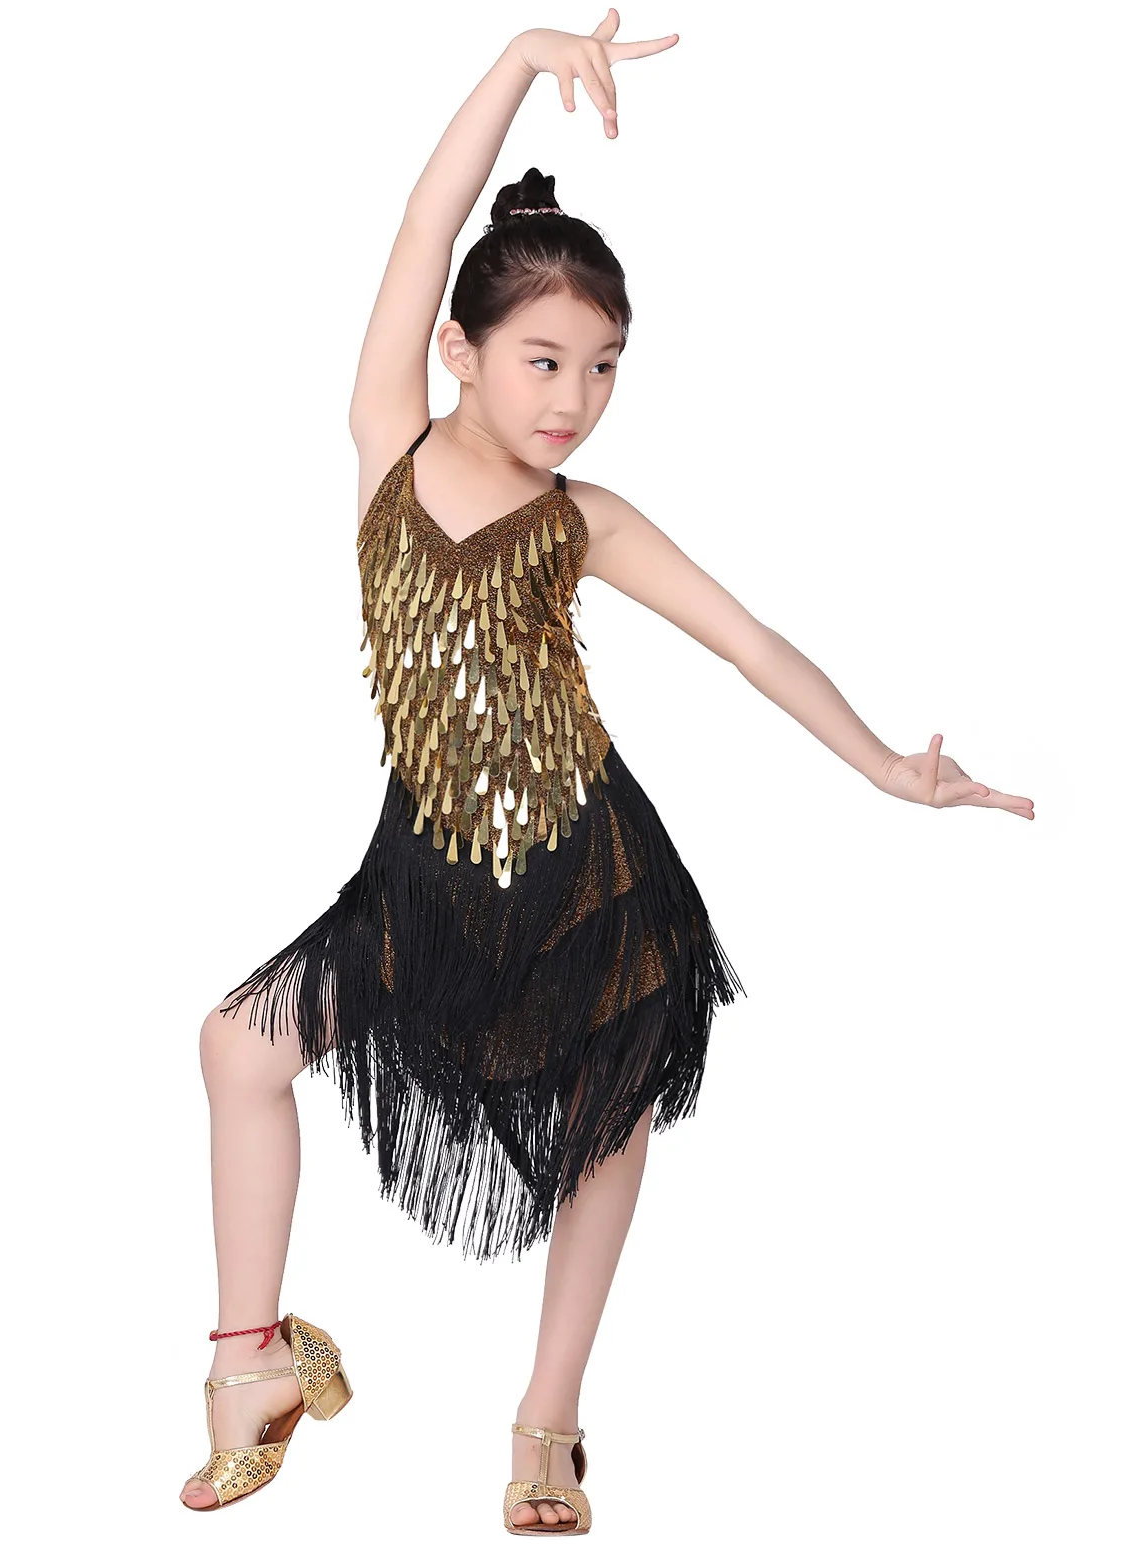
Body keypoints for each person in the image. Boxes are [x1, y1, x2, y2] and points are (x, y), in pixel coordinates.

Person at [180, 11, 1035, 1530]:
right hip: (423, 874)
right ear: (459, 352)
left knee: (607, 1117)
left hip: (589, 865)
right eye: (543, 361)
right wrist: (519, 61)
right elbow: (426, 222)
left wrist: (887, 770)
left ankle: (548, 1423)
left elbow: (752, 644)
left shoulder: (589, 520)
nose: (572, 397)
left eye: (604, 368)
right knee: (240, 1048)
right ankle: (251, 1361)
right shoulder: (388, 445)